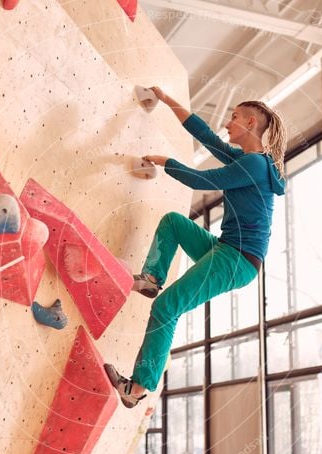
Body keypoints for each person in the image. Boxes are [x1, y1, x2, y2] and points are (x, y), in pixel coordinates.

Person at [105, 87, 287, 408]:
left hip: (237, 261)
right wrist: (168, 99)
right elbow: (207, 137)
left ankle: (136, 389)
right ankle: (150, 279)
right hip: (225, 248)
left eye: (234, 117)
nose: (228, 124)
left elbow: (200, 181)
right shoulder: (246, 159)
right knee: (174, 222)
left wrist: (167, 161)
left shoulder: (255, 166)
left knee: (166, 309)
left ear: (251, 122)